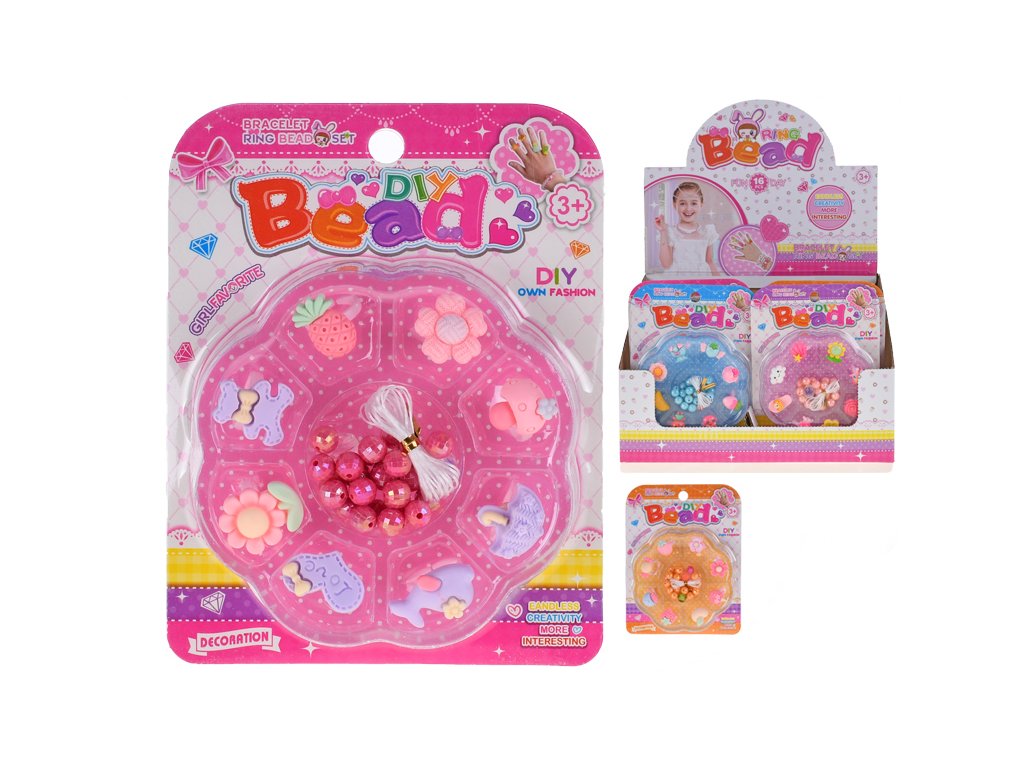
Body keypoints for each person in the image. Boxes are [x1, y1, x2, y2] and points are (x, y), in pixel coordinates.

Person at [654, 181, 720, 274]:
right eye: (682, 203)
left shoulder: (707, 232)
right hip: (678, 279)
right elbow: (666, 264)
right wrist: (663, 231)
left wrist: (719, 281)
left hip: (701, 278)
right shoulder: (670, 233)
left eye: (694, 203)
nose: (688, 208)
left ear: (701, 204)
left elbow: (709, 261)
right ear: (675, 205)